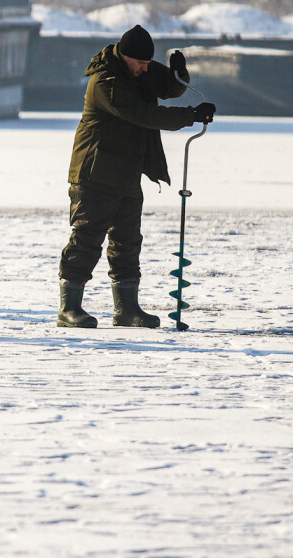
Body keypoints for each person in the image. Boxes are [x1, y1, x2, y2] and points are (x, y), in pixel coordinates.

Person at [58, 24, 216, 329]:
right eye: (141, 64)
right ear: (124, 56)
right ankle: (69, 309)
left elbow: (167, 88)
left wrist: (179, 76)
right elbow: (143, 115)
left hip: (127, 172)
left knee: (128, 241)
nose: (146, 69)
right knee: (87, 238)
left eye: (148, 63)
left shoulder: (138, 71)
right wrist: (189, 115)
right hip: (94, 174)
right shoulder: (106, 82)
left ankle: (127, 309)